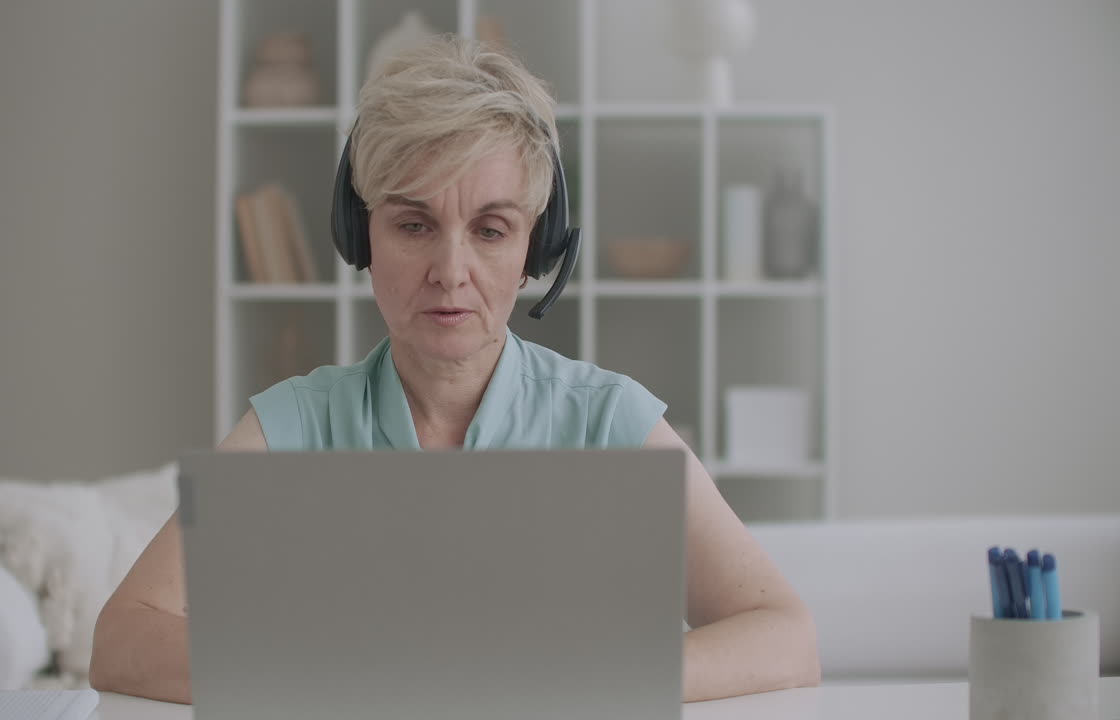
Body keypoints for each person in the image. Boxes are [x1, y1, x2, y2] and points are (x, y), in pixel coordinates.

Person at [89, 34, 820, 705]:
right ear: (361, 235)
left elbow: (786, 635)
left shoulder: (610, 420)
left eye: (491, 230)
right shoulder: (290, 427)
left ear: (535, 248)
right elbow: (122, 638)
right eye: (413, 224)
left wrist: (588, 676)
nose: (450, 270)